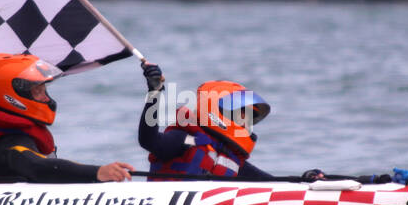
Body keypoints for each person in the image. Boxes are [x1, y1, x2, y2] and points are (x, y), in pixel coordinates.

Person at [0, 53, 133, 182]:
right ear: (12, 95)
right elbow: (35, 166)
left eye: (43, 89)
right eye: (37, 91)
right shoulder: (4, 143)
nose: (45, 98)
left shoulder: (4, 123)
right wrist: (98, 172)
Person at [137, 61, 322, 182]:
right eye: (241, 114)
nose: (245, 123)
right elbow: (148, 140)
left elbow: (272, 184)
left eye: (249, 118)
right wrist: (154, 93)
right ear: (215, 110)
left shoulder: (232, 160)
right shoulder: (184, 139)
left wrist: (306, 180)